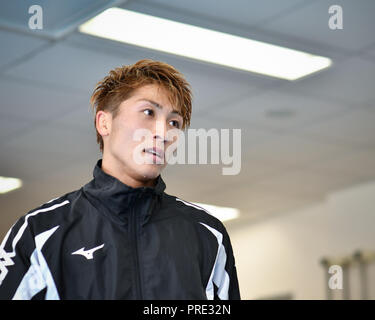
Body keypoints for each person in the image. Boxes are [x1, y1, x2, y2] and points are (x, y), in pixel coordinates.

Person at [0, 59, 241, 300]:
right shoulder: (39, 231)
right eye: (148, 112)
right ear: (104, 122)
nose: (164, 133)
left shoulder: (207, 234)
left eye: (174, 123)